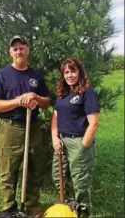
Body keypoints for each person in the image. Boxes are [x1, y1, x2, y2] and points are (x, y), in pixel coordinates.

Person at [0, 35, 50, 217]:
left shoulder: (36, 76)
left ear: (27, 50)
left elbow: (46, 102)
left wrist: (35, 97)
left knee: (34, 168)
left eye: (22, 48)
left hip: (34, 127)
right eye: (15, 49)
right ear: (10, 52)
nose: (18, 51)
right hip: (10, 127)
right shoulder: (1, 75)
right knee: (8, 169)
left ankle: (31, 207)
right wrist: (19, 101)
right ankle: (9, 209)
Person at [51, 58, 99, 218]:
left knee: (80, 182)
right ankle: (71, 208)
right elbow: (55, 117)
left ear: (79, 72)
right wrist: (55, 138)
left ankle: (83, 213)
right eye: (66, 72)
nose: (70, 75)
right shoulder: (62, 93)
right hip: (61, 140)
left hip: (79, 141)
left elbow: (93, 123)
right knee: (58, 176)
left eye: (73, 71)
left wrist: (83, 145)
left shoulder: (87, 93)